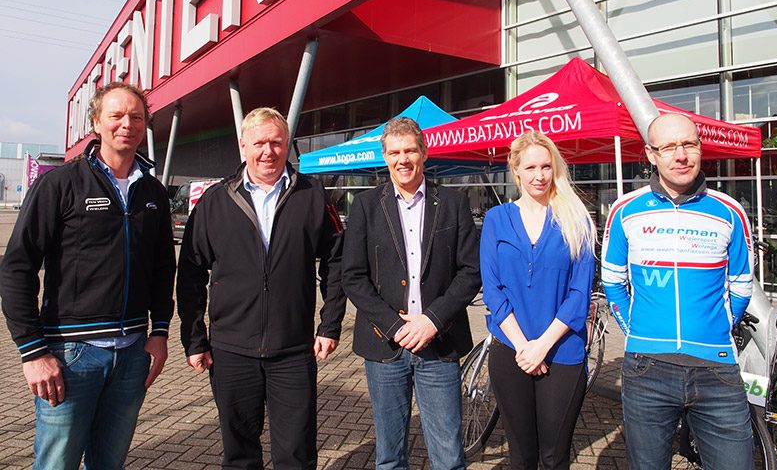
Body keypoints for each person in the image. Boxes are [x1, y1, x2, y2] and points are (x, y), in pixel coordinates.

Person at [0, 81, 176, 470]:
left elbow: (164, 267)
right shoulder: (60, 184)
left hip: (132, 356)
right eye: (115, 115)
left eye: (135, 116)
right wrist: (32, 351)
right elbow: (17, 266)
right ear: (96, 122)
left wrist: (160, 332)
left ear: (146, 124)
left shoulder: (154, 193)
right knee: (57, 465)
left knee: (109, 464)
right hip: (69, 358)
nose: (126, 124)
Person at [176, 106, 345, 470]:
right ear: (243, 146)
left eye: (276, 142)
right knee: (239, 456)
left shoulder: (312, 195)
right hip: (231, 350)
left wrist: (329, 325)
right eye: (259, 143)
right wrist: (194, 339)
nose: (268, 151)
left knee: (296, 455)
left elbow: (338, 261)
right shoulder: (214, 202)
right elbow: (190, 274)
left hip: (294, 350)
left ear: (287, 145)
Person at [601, 112, 754, 470]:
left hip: (717, 369)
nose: (681, 155)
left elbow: (742, 287)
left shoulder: (729, 211)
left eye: (688, 144)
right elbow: (612, 282)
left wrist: (716, 328)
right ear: (651, 154)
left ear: (700, 149)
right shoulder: (626, 211)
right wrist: (639, 332)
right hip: (646, 369)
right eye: (668, 147)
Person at [341, 116, 481, 470]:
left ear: (424, 153)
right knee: (389, 456)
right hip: (385, 344)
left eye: (410, 151)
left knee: (448, 457)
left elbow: (470, 271)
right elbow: (353, 276)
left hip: (440, 342)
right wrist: (394, 325)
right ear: (385, 157)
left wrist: (432, 320)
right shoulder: (366, 206)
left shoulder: (453, 202)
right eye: (394, 152)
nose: (402, 159)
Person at [480, 131, 595, 470]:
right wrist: (522, 347)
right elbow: (493, 290)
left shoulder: (576, 220)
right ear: (515, 171)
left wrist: (541, 347)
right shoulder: (496, 220)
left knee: (553, 457)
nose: (540, 175)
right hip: (510, 350)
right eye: (530, 167)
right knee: (522, 456)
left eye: (546, 166)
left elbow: (579, 294)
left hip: (562, 353)